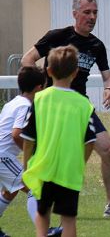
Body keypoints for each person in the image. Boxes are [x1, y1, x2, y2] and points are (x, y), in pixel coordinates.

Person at [20, 0, 110, 218]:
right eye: (87, 12)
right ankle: (32, 194)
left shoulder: (96, 45)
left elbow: (108, 77)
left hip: (79, 106)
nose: (92, 17)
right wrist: (39, 89)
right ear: (75, 14)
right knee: (39, 149)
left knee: (108, 150)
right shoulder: (57, 36)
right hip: (52, 105)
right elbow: (27, 59)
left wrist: (109, 89)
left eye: (95, 13)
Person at [21, 45, 96, 237]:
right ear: (76, 72)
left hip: (44, 169)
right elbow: (90, 142)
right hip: (69, 171)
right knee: (69, 219)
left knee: (42, 213)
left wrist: (26, 165)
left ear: (48, 71)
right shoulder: (83, 105)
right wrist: (80, 162)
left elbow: (28, 139)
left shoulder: (40, 100)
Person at [0, 66, 63, 237]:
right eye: (43, 86)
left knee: (10, 191)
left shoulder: (12, 102)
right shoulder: (26, 106)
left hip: (3, 156)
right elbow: (16, 133)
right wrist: (32, 153)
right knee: (34, 188)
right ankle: (45, 230)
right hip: (2, 157)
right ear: (38, 88)